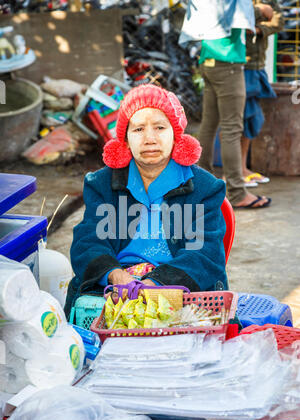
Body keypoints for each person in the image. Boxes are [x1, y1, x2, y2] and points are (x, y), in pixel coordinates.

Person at [64, 84, 229, 318]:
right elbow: (88, 241)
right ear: (126, 139)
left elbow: (205, 252)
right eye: (138, 129)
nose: (150, 139)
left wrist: (156, 284)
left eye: (160, 127)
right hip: (113, 289)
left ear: (175, 135)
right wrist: (116, 275)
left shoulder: (204, 188)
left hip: (181, 290)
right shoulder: (102, 184)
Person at [188, 2, 272, 208]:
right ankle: (236, 193)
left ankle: (202, 185)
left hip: (209, 58)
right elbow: (253, 12)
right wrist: (261, 9)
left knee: (208, 125)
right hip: (228, 62)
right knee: (232, 128)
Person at [241, 1, 284, 187]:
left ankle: (241, 169)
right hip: (240, 64)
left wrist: (258, 29)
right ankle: (237, 171)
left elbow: (278, 21)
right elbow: (233, 21)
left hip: (257, 66)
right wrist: (260, 13)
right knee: (238, 121)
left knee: (251, 120)